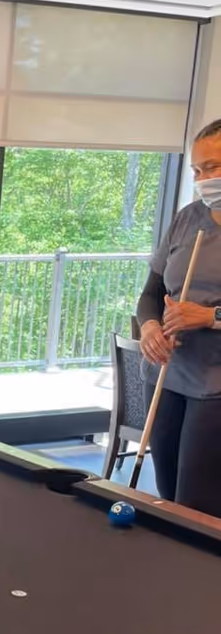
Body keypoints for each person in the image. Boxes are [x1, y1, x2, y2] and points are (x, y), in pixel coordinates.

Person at [137, 119, 221, 518]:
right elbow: (151, 294)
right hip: (166, 377)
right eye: (197, 170)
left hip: (215, 387)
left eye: (213, 167)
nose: (203, 179)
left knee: (197, 505)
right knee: (167, 494)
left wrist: (211, 316)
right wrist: (150, 327)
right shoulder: (188, 218)